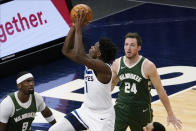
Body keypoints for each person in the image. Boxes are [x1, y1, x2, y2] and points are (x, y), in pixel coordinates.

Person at [49, 10, 117, 131]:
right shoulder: (89, 60)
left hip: (103, 117)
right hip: (85, 111)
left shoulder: (104, 68)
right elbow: (66, 50)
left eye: (94, 47)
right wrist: (74, 27)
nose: (91, 47)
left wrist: (80, 29)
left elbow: (80, 56)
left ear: (99, 53)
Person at [111, 32, 182, 131]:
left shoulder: (148, 66)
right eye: (126, 44)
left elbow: (160, 90)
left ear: (139, 47)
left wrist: (170, 113)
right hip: (121, 109)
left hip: (141, 111)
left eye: (132, 45)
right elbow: (111, 85)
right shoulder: (117, 63)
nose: (128, 48)